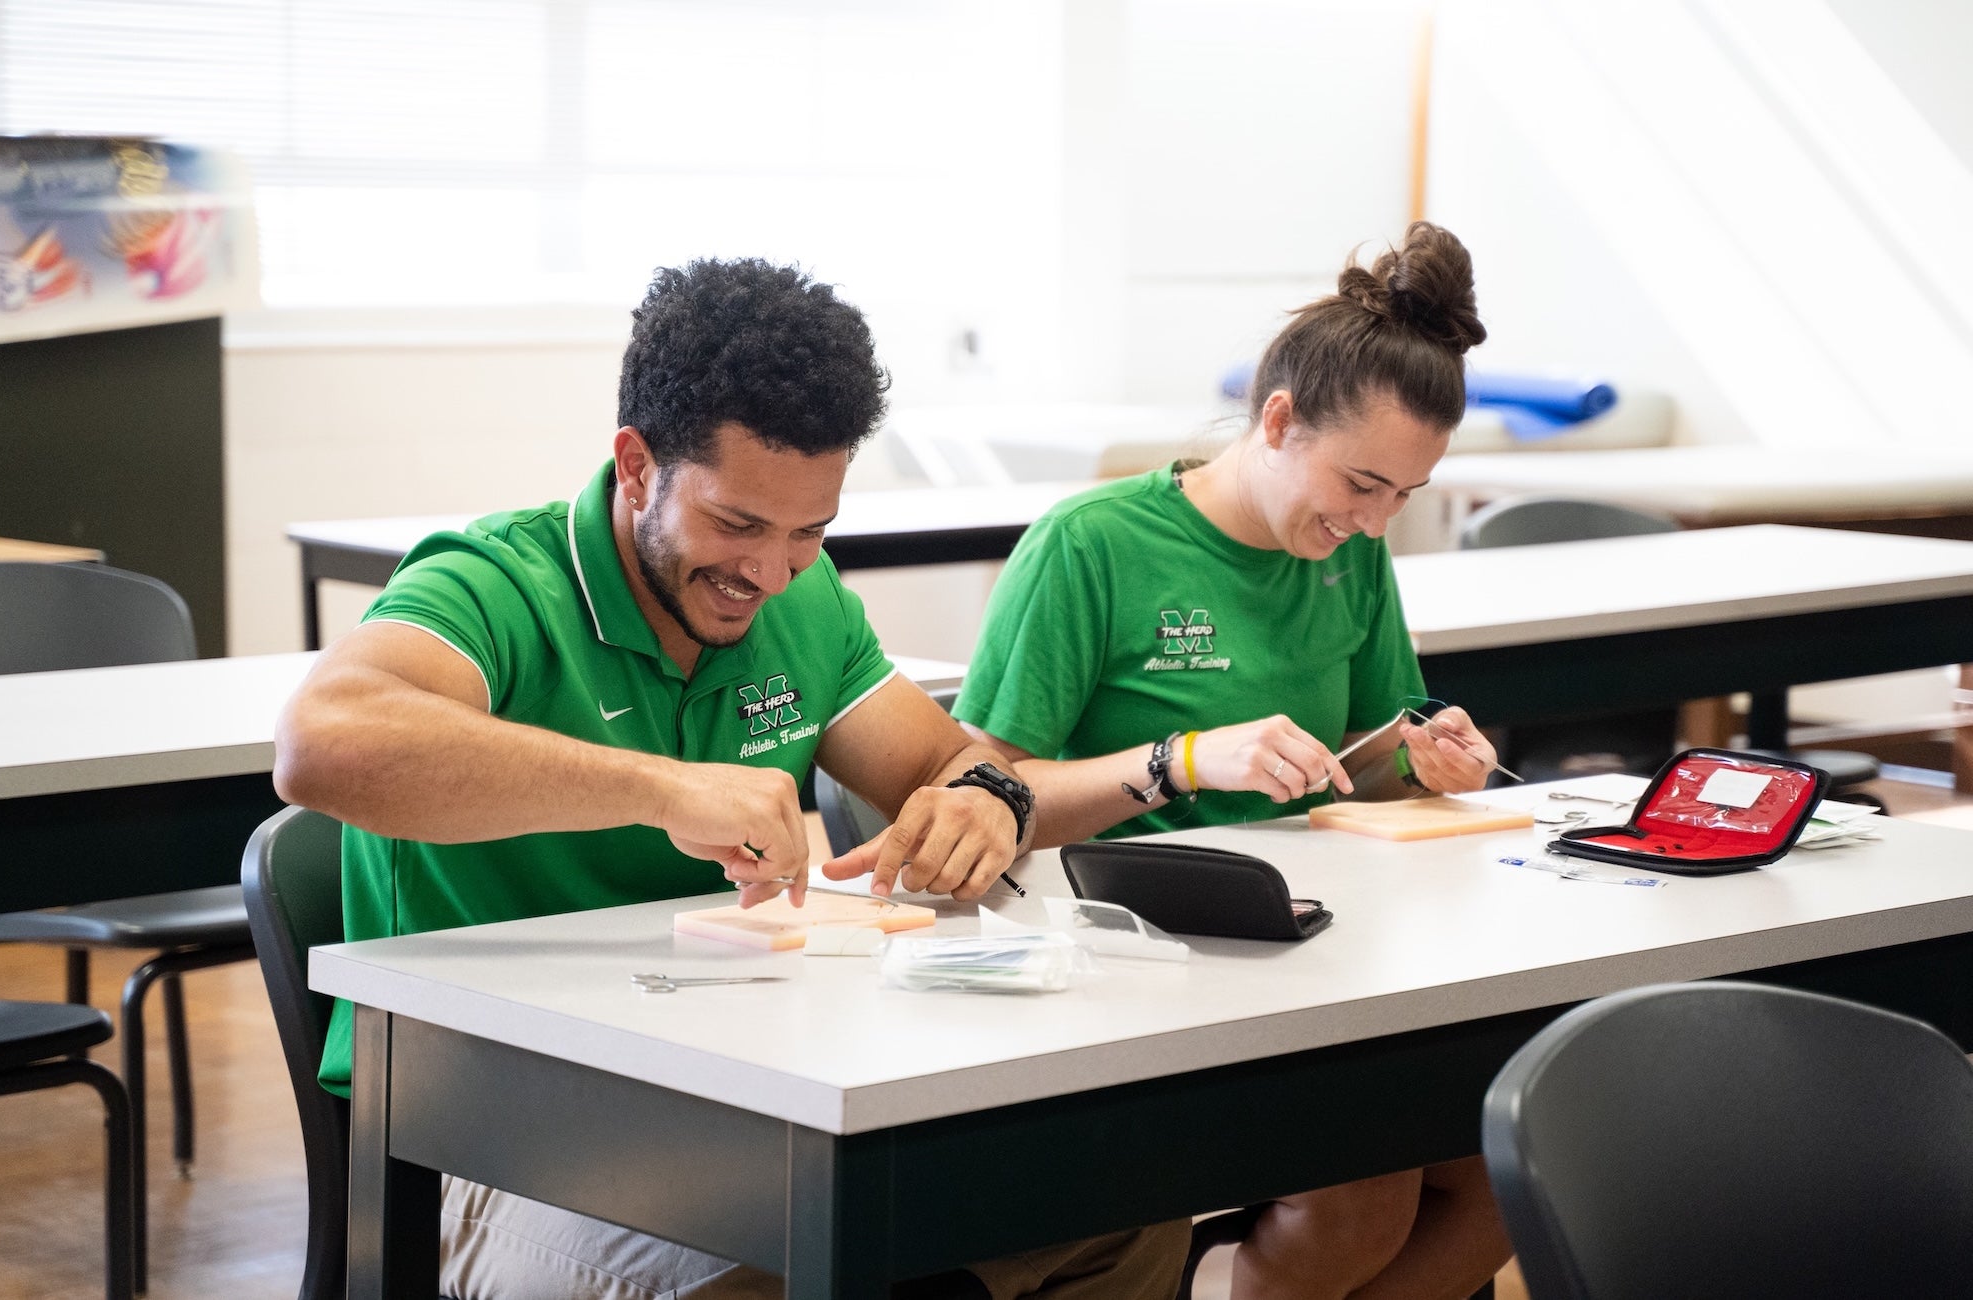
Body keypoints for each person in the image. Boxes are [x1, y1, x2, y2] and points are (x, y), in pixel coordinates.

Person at [275, 257, 1188, 1300]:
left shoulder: (801, 602)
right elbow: (323, 741)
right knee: (792, 1261)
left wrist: (988, 796)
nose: (769, 571)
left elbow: (946, 759)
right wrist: (660, 786)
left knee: (1117, 1211)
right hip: (484, 1140)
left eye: (810, 530)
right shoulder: (495, 583)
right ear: (634, 466)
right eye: (737, 524)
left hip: (743, 1088)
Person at [954, 222, 1514, 1300]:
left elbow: (1373, 756)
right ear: (1276, 420)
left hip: (1312, 945)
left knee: (1506, 1166)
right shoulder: (1091, 545)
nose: (1370, 519)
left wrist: (1428, 758)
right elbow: (984, 799)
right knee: (1364, 1190)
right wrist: (1183, 759)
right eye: (1359, 482)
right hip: (1130, 960)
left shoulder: (1351, 556)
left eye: (1403, 495)